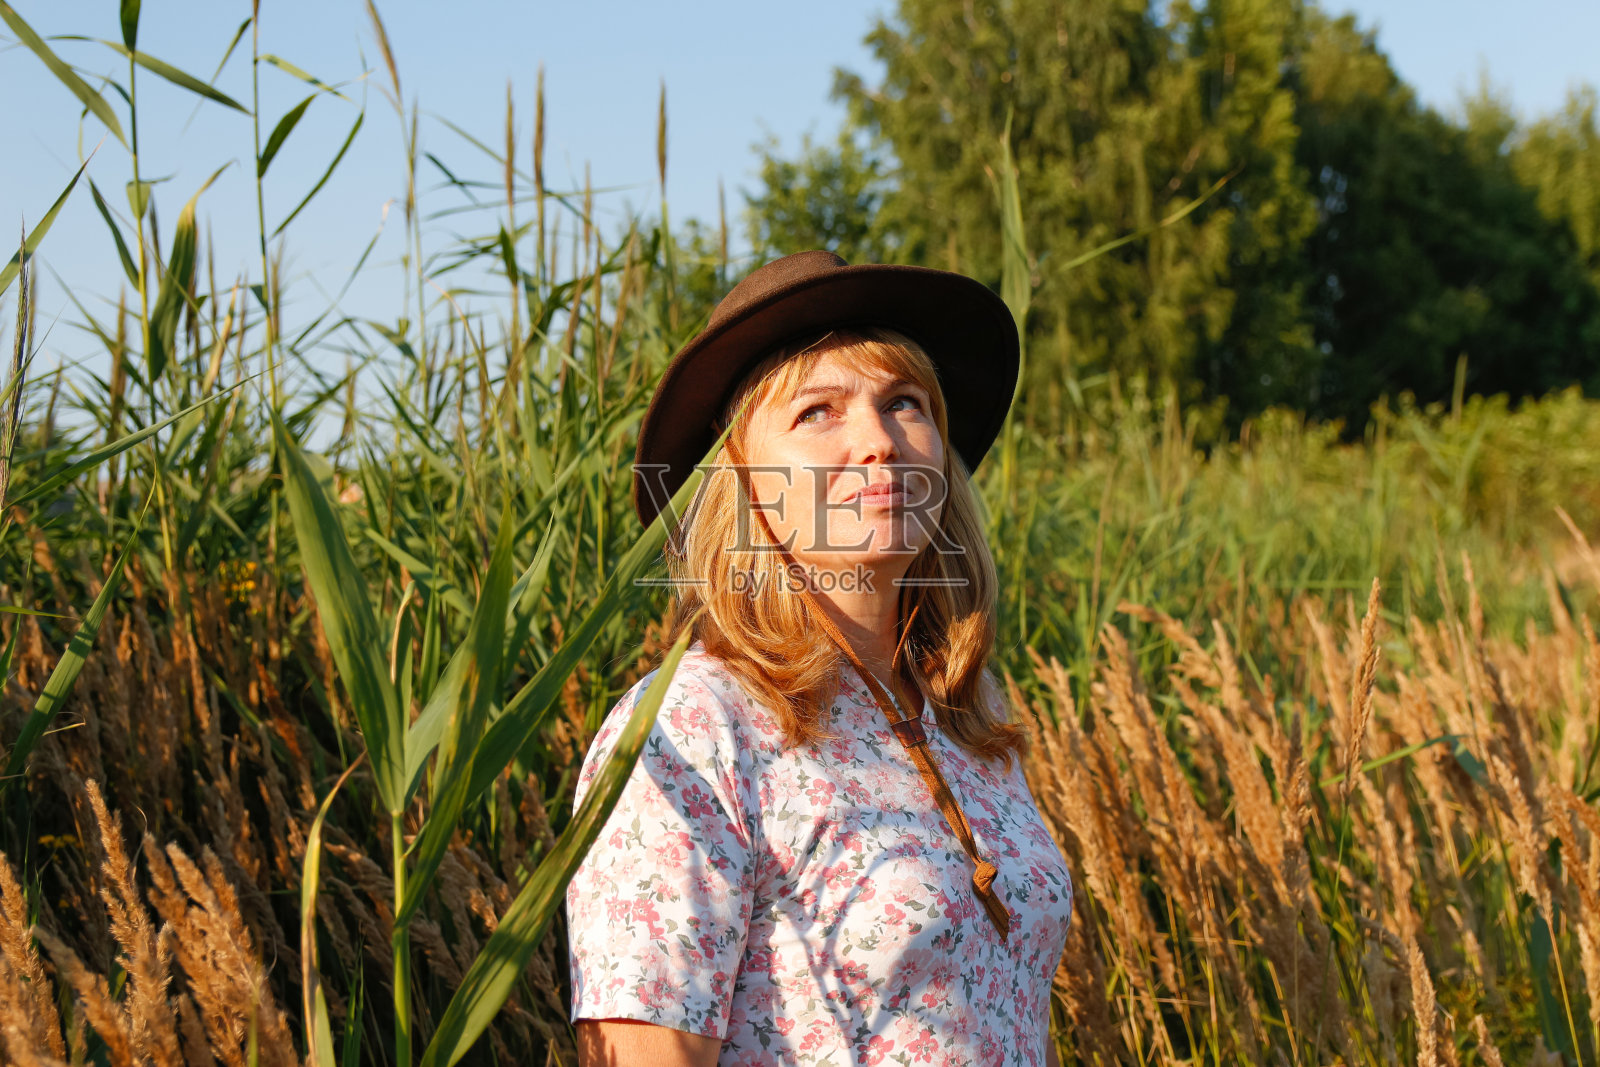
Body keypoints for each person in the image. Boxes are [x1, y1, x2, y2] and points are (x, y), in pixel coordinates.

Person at [565, 250, 1074, 1066]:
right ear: (742, 477)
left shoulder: (972, 715)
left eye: (905, 402)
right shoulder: (691, 728)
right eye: (818, 412)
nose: (878, 440)